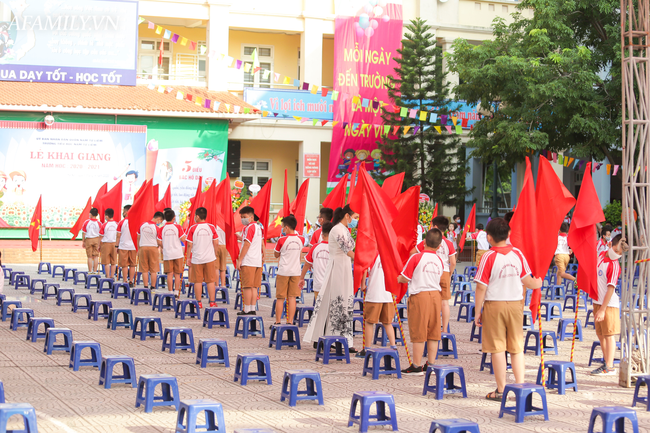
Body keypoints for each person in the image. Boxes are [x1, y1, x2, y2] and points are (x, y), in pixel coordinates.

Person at [473, 218, 542, 401]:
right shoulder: (518, 254)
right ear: (509, 234)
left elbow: (481, 287)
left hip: (494, 305)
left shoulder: (488, 256)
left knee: (497, 348)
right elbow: (528, 280)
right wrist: (538, 282)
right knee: (516, 348)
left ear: (488, 237)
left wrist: (477, 311)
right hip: (515, 305)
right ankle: (521, 387)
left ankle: (502, 390)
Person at [304, 204, 358, 351]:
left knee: (345, 303)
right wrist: (363, 260)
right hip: (337, 269)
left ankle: (344, 339)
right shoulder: (337, 229)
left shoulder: (345, 229)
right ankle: (332, 338)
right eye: (355, 217)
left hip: (345, 268)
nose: (356, 220)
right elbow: (349, 251)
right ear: (347, 216)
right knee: (336, 303)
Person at [398, 228, 446, 374]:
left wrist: (396, 278)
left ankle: (417, 365)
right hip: (435, 296)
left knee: (419, 330)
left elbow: (404, 277)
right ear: (439, 247)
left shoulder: (416, 257)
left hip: (420, 295)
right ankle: (431, 363)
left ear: (423, 242)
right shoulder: (439, 260)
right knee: (433, 331)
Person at [411, 216, 456, 334]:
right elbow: (453, 262)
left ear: (435, 227)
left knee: (429, 300)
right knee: (445, 303)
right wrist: (450, 273)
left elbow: (412, 252)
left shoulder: (427, 240)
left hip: (429, 271)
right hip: (445, 272)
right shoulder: (448, 243)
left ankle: (428, 327)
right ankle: (444, 329)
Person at [591, 234, 625, 376]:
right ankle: (606, 362)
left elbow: (611, 289)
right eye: (616, 251)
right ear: (611, 244)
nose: (617, 255)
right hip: (597, 301)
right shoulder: (600, 256)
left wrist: (603, 309)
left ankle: (610, 366)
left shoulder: (614, 265)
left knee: (609, 335)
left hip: (609, 304)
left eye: (621, 253)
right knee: (601, 335)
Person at [357, 255, 396, 358]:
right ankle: (393, 346)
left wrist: (362, 285)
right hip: (388, 294)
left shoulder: (371, 255)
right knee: (388, 322)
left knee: (369, 322)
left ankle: (367, 348)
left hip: (374, 294)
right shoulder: (389, 255)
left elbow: (365, 269)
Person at [273, 215, 305, 326]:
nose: (282, 229)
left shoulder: (282, 240)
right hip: (296, 271)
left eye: (282, 227)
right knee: (292, 297)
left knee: (280, 298)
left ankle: (277, 321)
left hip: (283, 271)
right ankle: (290, 321)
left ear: (286, 227)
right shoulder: (301, 239)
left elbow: (276, 254)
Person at [186, 207, 219, 309]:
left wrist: (188, 258)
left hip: (197, 259)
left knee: (198, 281)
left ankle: (199, 302)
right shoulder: (211, 227)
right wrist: (215, 254)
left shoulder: (192, 228)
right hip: (210, 258)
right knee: (210, 281)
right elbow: (216, 242)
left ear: (197, 216)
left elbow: (189, 245)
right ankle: (212, 302)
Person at [237, 206, 264, 315]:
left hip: (248, 261)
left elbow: (247, 244)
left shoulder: (249, 228)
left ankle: (246, 309)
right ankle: (252, 308)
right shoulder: (258, 227)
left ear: (251, 217)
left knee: (247, 287)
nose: (243, 219)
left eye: (245, 217)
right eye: (242, 217)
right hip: (257, 261)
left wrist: (240, 259)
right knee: (254, 287)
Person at [158, 209, 186, 299]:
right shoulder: (177, 227)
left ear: (165, 218)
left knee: (169, 273)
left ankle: (170, 292)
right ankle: (176, 292)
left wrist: (165, 246)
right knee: (177, 274)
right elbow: (183, 239)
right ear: (174, 217)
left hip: (167, 254)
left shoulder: (162, 228)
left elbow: (158, 241)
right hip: (178, 253)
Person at [300, 222, 332, 299]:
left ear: (322, 235)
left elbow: (306, 265)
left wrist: (301, 278)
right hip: (331, 285)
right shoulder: (336, 249)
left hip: (318, 284)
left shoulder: (315, 247)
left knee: (319, 308)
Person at [137, 211, 164, 290]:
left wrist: (138, 249)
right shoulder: (157, 228)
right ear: (158, 219)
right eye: (160, 221)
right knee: (153, 269)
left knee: (144, 269)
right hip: (153, 248)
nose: (160, 223)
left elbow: (138, 238)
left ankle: (145, 287)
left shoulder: (142, 225)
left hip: (143, 247)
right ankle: (153, 287)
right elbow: (159, 240)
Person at [116, 205, 137, 287]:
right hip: (133, 247)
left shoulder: (121, 222)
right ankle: (131, 281)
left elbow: (118, 235)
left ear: (125, 212)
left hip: (123, 246)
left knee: (124, 265)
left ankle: (125, 281)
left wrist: (116, 246)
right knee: (132, 265)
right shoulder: (136, 221)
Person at [99, 208, 118, 280]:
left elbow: (101, 236)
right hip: (115, 244)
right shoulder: (117, 224)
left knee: (106, 261)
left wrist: (99, 245)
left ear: (106, 216)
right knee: (113, 261)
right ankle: (112, 276)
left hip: (106, 244)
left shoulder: (104, 225)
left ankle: (107, 275)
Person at [81, 208, 102, 274]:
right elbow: (101, 233)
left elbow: (84, 232)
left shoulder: (86, 222)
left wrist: (83, 241)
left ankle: (90, 271)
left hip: (89, 239)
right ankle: (95, 271)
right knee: (96, 256)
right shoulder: (99, 223)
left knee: (89, 256)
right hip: (96, 239)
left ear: (90, 214)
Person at [215, 223, 228, 288]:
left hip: (216, 246)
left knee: (216, 268)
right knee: (223, 268)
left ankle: (216, 285)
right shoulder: (225, 225)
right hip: (224, 245)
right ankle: (223, 285)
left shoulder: (214, 224)